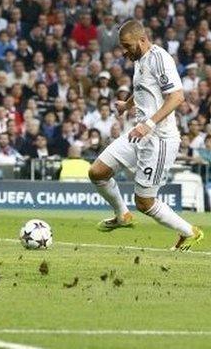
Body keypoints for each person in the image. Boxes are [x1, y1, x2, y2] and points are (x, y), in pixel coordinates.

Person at [87, 21, 204, 251]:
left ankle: (190, 232)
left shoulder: (160, 59)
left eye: (127, 45)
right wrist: (127, 104)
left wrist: (149, 123)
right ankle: (122, 215)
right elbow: (145, 88)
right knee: (97, 172)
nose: (124, 50)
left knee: (145, 202)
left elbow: (177, 97)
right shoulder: (140, 59)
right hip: (139, 133)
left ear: (142, 39)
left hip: (159, 139)